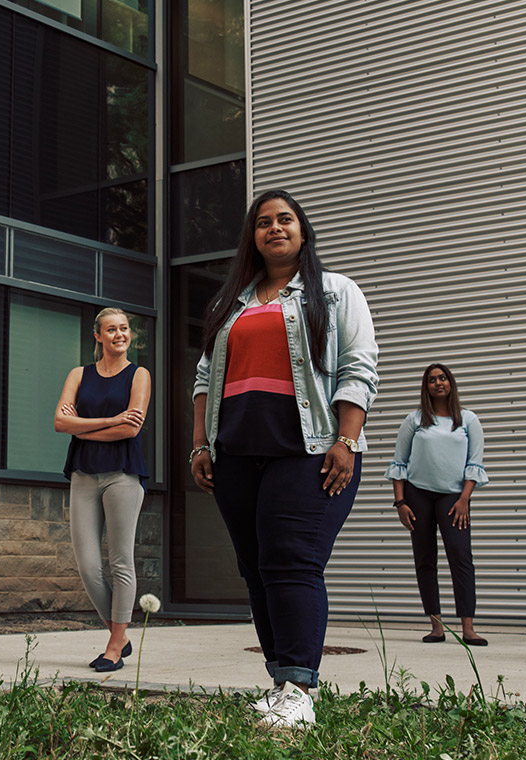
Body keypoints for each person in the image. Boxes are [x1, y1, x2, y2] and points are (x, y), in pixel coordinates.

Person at [189, 189, 378, 729]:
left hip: (310, 448)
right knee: (255, 569)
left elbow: (358, 369)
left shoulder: (337, 292)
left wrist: (346, 439)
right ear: (252, 236)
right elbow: (205, 378)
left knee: (292, 559)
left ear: (303, 231)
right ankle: (282, 685)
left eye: (285, 220)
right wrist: (202, 444)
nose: (275, 228)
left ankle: (299, 689)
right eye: (263, 222)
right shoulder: (231, 301)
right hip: (237, 453)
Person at [53, 307, 152, 673]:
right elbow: (61, 422)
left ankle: (114, 644)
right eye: (111, 330)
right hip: (83, 474)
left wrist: (83, 426)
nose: (119, 335)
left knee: (120, 560)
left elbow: (132, 429)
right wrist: (110, 419)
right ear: (98, 336)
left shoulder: (139, 374)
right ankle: (120, 632)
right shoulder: (79, 374)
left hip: (122, 475)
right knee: (88, 564)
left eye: (124, 329)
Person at [386, 363, 488, 646]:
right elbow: (399, 463)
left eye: (442, 378)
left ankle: (468, 628)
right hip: (418, 495)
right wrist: (400, 503)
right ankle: (436, 627)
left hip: (454, 498)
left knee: (460, 556)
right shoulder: (415, 419)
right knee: (425, 559)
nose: (438, 383)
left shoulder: (468, 420)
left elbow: (475, 463)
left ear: (451, 383)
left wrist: (465, 499)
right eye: (432, 380)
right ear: (426, 387)